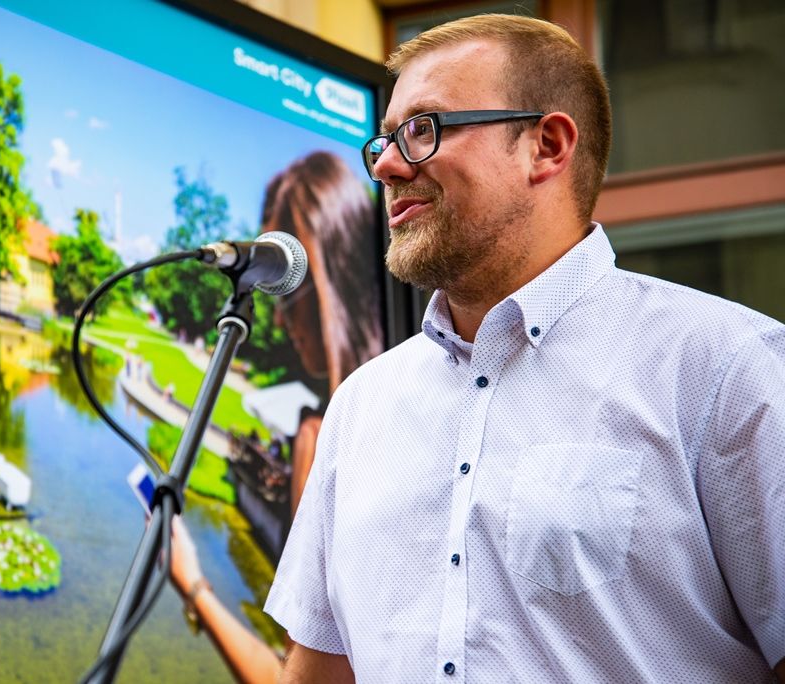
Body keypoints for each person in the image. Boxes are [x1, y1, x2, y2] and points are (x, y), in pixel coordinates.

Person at [264, 14, 785, 684]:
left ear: (546, 145)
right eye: (385, 141)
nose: (388, 166)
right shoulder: (361, 406)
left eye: (423, 129)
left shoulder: (726, 367)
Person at [168, 151, 383, 682]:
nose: (282, 317)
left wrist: (192, 584)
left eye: (292, 282)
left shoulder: (324, 436)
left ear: (335, 281)